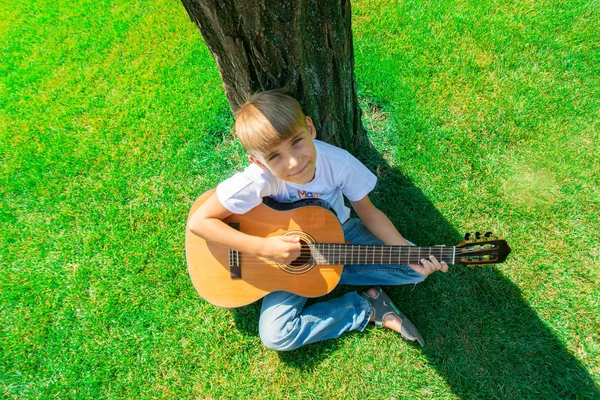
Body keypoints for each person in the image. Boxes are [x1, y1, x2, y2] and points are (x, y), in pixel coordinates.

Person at [187, 89, 448, 351]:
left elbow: (368, 212)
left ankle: (342, 275)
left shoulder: (339, 163)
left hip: (339, 232)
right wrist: (264, 248)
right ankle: (364, 308)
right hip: (278, 258)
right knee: (276, 336)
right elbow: (199, 222)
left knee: (413, 267)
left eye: (296, 141)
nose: (293, 162)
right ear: (259, 162)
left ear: (310, 128)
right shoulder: (258, 179)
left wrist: (405, 253)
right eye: (274, 156)